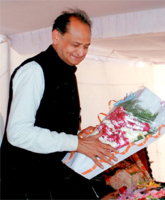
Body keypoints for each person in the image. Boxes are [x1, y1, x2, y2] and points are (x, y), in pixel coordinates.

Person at [0, 9, 119, 199]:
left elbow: (49, 124)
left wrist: (77, 136)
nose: (81, 52)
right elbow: (18, 134)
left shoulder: (67, 70)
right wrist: (75, 142)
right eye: (76, 44)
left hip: (50, 179)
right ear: (56, 36)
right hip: (24, 184)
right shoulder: (34, 71)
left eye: (86, 46)